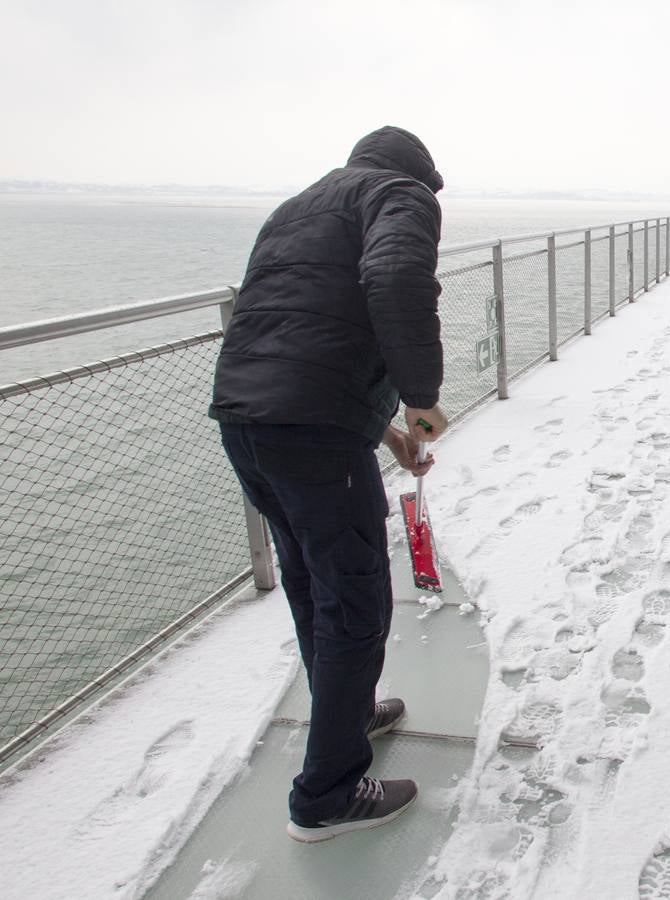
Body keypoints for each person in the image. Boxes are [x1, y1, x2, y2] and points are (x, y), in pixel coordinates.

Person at [209, 125, 450, 843]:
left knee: (316, 587)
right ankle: (327, 795)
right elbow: (396, 279)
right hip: (313, 435)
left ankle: (348, 717)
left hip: (248, 423)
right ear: (418, 176)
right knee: (355, 603)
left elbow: (305, 333)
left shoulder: (299, 207)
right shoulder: (399, 195)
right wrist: (421, 394)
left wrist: (391, 434)